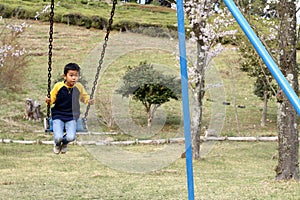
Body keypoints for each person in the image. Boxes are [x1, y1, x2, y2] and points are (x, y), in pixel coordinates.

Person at [45, 63, 94, 154]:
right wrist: (49, 100)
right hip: (58, 115)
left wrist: (88, 100)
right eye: (71, 75)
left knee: (71, 137)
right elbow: (52, 98)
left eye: (76, 75)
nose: (74, 78)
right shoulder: (58, 86)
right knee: (58, 137)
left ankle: (64, 143)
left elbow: (84, 97)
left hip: (72, 116)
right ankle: (57, 143)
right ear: (65, 76)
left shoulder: (78, 87)